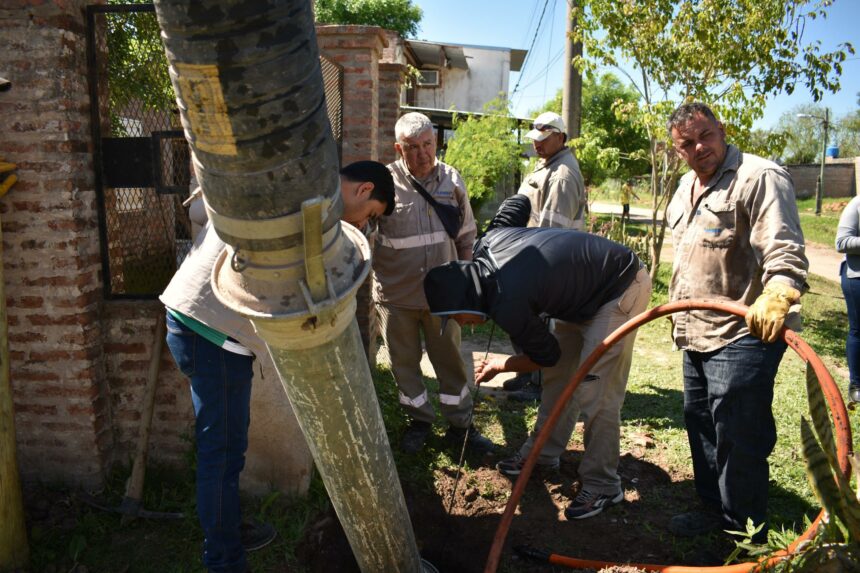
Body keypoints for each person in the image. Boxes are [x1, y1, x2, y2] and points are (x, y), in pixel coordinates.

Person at [161, 160, 395, 573]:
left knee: (229, 449)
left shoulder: (304, 187)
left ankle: (228, 530)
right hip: (207, 329)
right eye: (372, 214)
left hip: (206, 324)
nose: (366, 224)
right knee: (222, 455)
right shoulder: (313, 209)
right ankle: (223, 560)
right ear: (363, 191)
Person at [424, 225, 652, 520]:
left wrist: (500, 366)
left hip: (619, 286)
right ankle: (542, 454)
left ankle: (603, 484)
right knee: (560, 377)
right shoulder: (486, 248)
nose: (462, 323)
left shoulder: (507, 301)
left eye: (455, 316)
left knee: (596, 389)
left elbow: (546, 356)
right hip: (582, 292)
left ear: (467, 298)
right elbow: (515, 208)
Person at [665, 102, 808, 542]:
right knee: (700, 420)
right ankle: (714, 509)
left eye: (705, 135)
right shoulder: (686, 186)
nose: (699, 147)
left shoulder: (758, 176)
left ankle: (744, 531)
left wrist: (780, 291)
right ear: (677, 151)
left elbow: (783, 245)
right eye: (687, 143)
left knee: (737, 431)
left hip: (744, 330)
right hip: (695, 329)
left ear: (721, 129)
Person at [374, 111, 495, 455]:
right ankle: (419, 420)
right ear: (399, 148)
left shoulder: (451, 180)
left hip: (443, 298)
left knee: (451, 362)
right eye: (412, 147)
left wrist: (469, 283)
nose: (422, 154)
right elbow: (365, 233)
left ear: (436, 142)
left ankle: (460, 426)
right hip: (396, 297)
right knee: (404, 364)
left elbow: (467, 235)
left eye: (427, 144)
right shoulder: (385, 182)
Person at [503, 111, 587, 400]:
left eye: (544, 138)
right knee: (522, 322)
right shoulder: (545, 165)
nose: (537, 144)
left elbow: (553, 233)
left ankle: (538, 385)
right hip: (529, 256)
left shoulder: (562, 175)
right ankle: (526, 374)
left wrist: (535, 274)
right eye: (535, 138)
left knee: (540, 326)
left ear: (560, 138)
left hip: (547, 265)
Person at [836, 195, 860, 403]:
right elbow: (842, 242)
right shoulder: (857, 204)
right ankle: (856, 383)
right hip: (857, 278)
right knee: (858, 330)